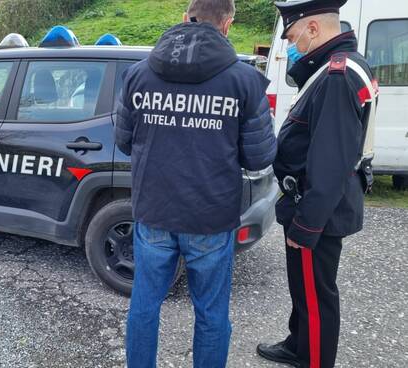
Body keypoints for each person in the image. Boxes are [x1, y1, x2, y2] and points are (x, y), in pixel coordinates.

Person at [115, 0, 277, 366]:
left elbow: (124, 140)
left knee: (144, 307)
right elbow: (259, 157)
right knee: (211, 314)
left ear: (185, 18)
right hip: (211, 216)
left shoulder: (139, 75)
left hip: (154, 210)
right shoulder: (244, 81)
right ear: (227, 24)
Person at [256, 1, 379, 368]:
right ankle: (299, 344)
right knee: (303, 288)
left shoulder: (337, 77)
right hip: (310, 201)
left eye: (293, 36)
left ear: (313, 29)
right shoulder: (338, 65)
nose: (292, 45)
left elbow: (331, 163)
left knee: (316, 295)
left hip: (316, 208)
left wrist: (306, 225)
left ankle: (313, 359)